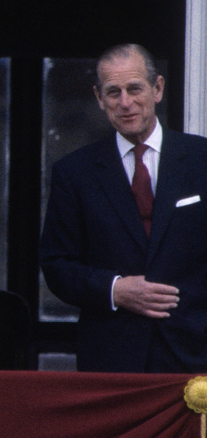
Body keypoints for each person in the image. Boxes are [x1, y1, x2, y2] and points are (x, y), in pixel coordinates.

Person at [40, 43, 207, 373]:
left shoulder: (202, 159)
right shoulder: (74, 172)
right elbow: (57, 265)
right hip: (111, 359)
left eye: (135, 89)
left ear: (157, 88)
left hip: (196, 353)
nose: (125, 103)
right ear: (99, 99)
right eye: (113, 92)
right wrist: (115, 289)